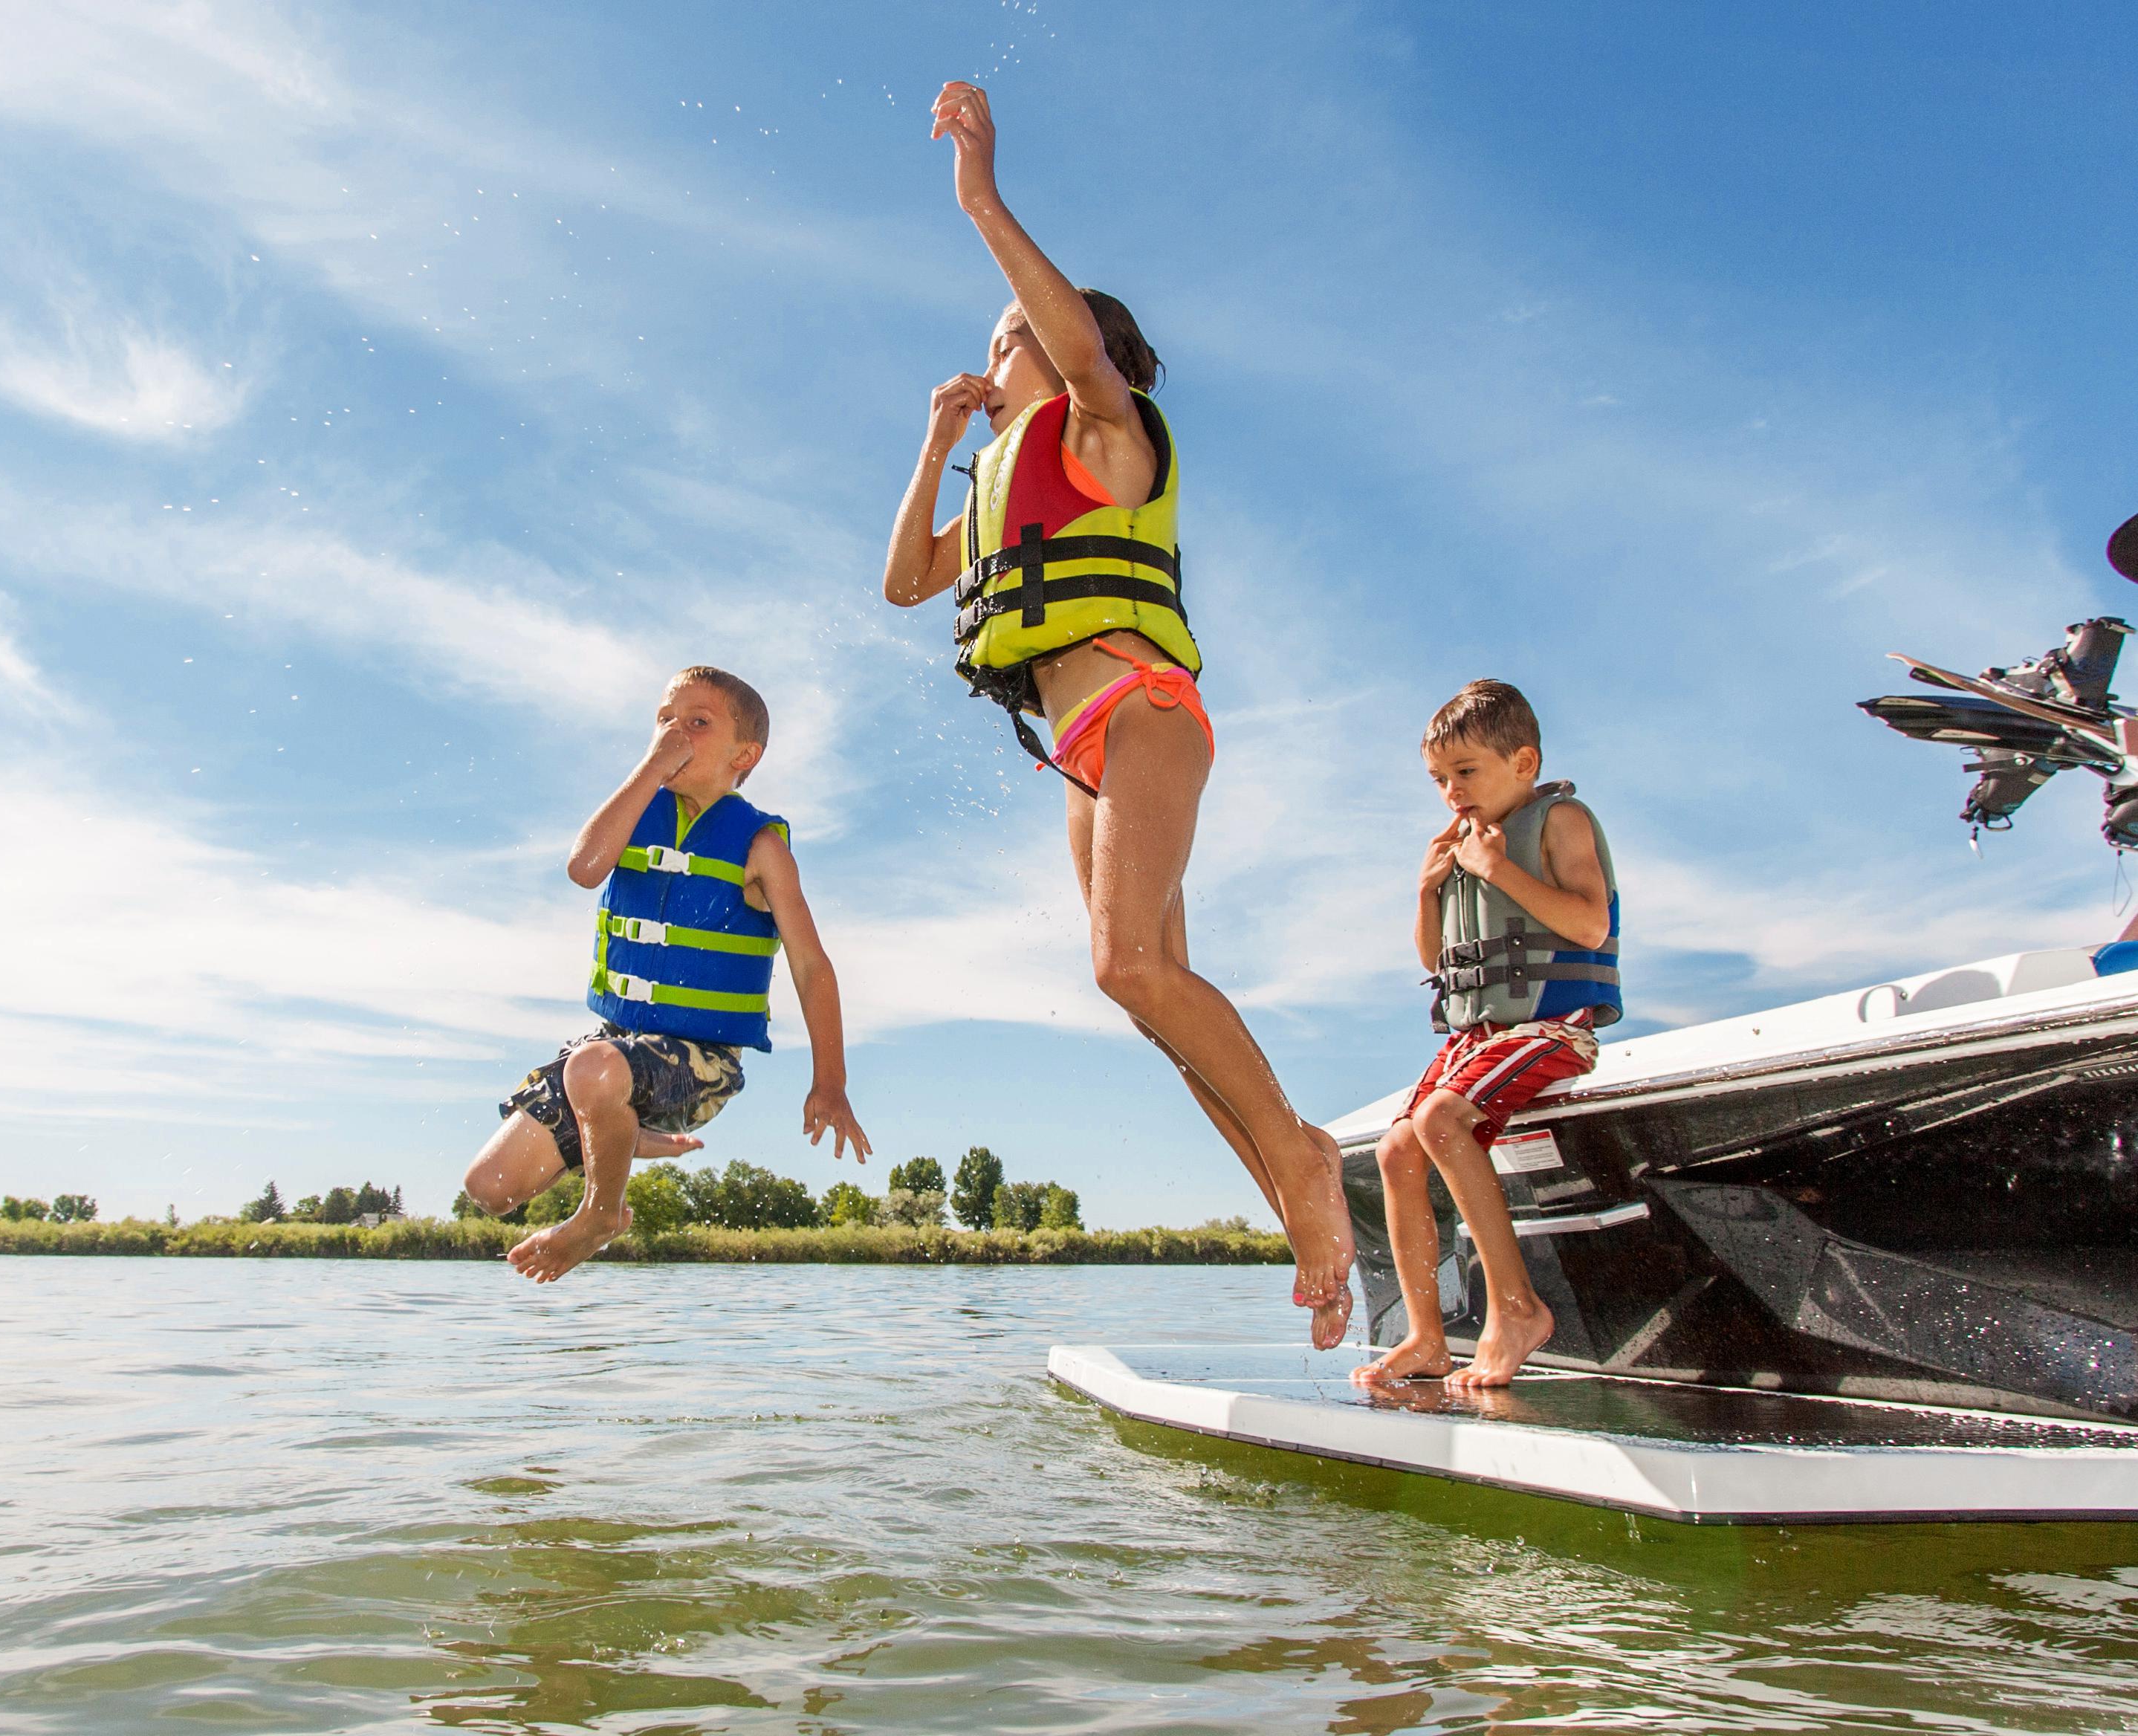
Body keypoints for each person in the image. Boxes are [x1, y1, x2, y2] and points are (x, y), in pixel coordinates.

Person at [881, 80, 1353, 1346]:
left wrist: (979, 195)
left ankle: (1309, 1167)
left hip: (1144, 710)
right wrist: (938, 446)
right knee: (1155, 997)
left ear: (1064, 332)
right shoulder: (1003, 470)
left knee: (1126, 963)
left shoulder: (1108, 432)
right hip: (1087, 755)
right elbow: (907, 583)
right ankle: (1297, 1189)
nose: (990, 364)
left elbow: (1074, 350)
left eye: (1003, 345)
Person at [463, 666, 871, 1280]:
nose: (673, 733)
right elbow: (584, 868)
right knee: (489, 1187)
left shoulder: (761, 848)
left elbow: (813, 968)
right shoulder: (636, 811)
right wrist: (650, 771)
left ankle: (599, 1215)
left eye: (697, 723)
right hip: (611, 1051)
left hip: (700, 1062)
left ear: (745, 754)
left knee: (595, 1071)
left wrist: (830, 1082)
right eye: (663, 720)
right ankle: (626, 1135)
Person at [1354, 680, 1622, 1387]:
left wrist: (1497, 868)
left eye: (1465, 773)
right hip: (1477, 1036)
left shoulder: (1560, 822)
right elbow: (1431, 960)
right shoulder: (1458, 846)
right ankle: (1427, 1337)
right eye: (1439, 779)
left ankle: (1516, 1310)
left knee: (1442, 1118)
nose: (1451, 792)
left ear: (1524, 761)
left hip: (1553, 1026)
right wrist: (1426, 888)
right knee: (1395, 1151)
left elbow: (1590, 924)